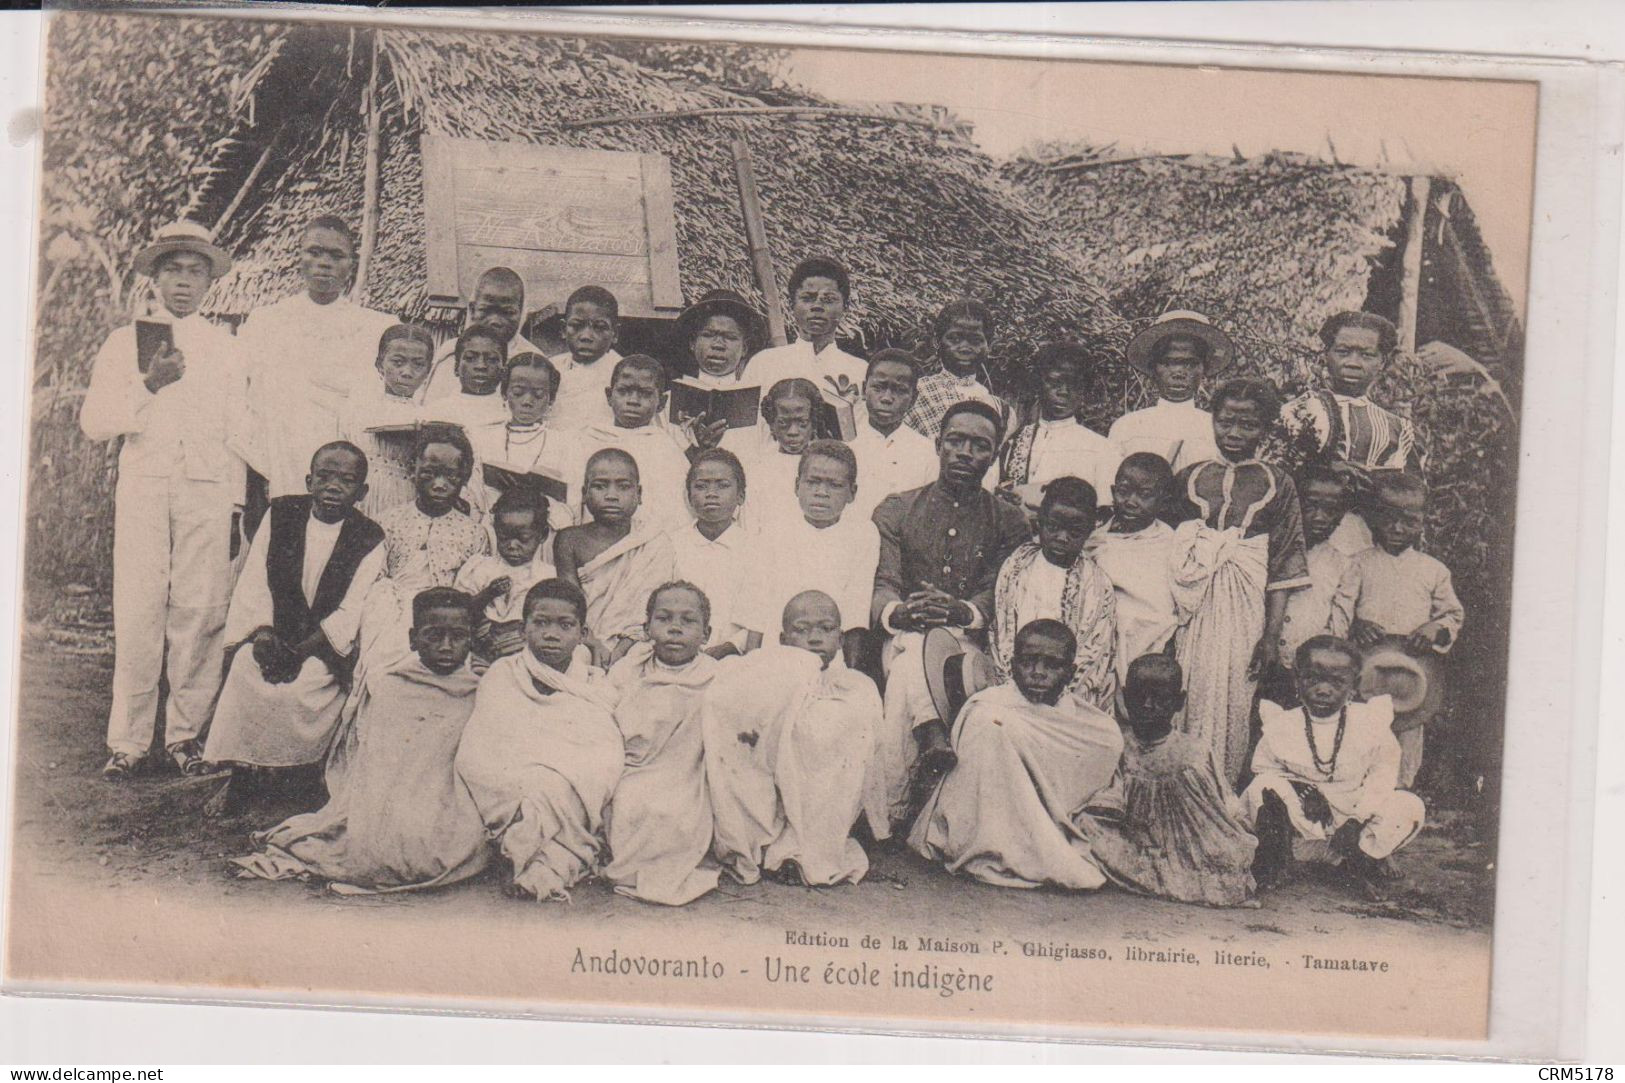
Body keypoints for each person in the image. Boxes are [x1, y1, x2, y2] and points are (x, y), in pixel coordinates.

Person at [81, 220, 246, 779]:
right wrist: (148, 385)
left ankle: (185, 737)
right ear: (154, 276)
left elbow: (238, 429)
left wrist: (236, 506)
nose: (183, 281)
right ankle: (127, 743)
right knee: (139, 607)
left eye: (194, 271)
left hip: (207, 487)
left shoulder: (226, 348)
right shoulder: (124, 343)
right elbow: (97, 422)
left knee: (200, 610)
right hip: (147, 486)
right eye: (172, 269)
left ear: (209, 282)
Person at [228, 587, 489, 894]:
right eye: (434, 635)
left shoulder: (482, 690)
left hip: (450, 803)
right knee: (395, 841)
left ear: (471, 639)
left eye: (457, 636)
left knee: (459, 842)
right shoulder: (393, 686)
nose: (446, 646)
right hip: (393, 806)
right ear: (412, 639)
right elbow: (378, 774)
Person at [865, 401, 1031, 840]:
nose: (965, 453)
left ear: (993, 457)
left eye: (979, 446)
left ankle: (891, 811)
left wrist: (960, 611)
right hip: (900, 635)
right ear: (938, 444)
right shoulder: (897, 509)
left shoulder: (1009, 522)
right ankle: (925, 760)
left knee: (908, 669)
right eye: (955, 441)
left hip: (965, 648)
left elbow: (1000, 588)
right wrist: (900, 611)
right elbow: (881, 581)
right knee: (910, 651)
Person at [202, 442, 386, 811]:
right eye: (325, 477)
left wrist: (300, 654)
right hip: (276, 634)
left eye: (347, 481)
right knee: (246, 670)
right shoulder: (282, 513)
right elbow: (255, 579)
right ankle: (242, 777)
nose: (334, 487)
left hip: (321, 646)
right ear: (309, 480)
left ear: (362, 492)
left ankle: (298, 780)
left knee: (310, 685)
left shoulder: (369, 538)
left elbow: (352, 610)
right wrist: (264, 634)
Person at [1169, 377, 1311, 786]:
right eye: (1226, 421)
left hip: (1245, 610)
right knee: (1187, 688)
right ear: (1212, 420)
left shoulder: (1278, 484)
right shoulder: (1189, 477)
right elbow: (1173, 550)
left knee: (1235, 698)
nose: (1234, 434)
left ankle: (1223, 791)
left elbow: (1284, 563)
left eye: (1247, 425)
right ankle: (1185, 792)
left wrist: (1268, 637)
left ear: (1265, 429)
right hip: (1191, 606)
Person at [909, 620, 1122, 891]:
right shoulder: (987, 709)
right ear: (1011, 665)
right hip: (988, 833)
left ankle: (1045, 840)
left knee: (1110, 738)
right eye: (1028, 662)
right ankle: (1016, 849)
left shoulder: (1093, 728)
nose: (1037, 673)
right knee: (991, 725)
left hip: (1054, 830)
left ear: (1071, 672)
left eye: (1052, 664)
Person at [454, 579, 623, 902]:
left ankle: (530, 862)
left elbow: (604, 750)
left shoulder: (595, 685)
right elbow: (486, 740)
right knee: (529, 787)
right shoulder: (503, 673)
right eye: (541, 623)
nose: (551, 633)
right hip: (510, 773)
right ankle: (529, 857)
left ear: (582, 634)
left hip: (564, 777)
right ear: (523, 630)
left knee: (555, 787)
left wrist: (562, 770)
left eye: (565, 625)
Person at [702, 591, 881, 887]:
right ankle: (762, 839)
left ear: (840, 639)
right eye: (801, 630)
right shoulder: (771, 668)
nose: (814, 638)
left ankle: (810, 846)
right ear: (784, 640)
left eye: (826, 629)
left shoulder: (854, 685)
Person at [1245, 636, 1425, 899]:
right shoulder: (1283, 725)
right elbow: (1264, 770)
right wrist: (1304, 790)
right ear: (1297, 681)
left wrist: (1355, 821)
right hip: (1306, 822)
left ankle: (1356, 863)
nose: (1323, 690)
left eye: (1336, 682)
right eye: (1312, 679)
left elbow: (1381, 777)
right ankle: (1282, 860)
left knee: (1408, 805)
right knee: (1262, 789)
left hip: (1355, 822)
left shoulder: (1370, 724)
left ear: (1354, 686)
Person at [233, 215, 398, 500]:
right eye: (314, 252)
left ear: (351, 266)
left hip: (347, 468)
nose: (324, 263)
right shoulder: (266, 322)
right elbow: (242, 400)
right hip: (277, 464)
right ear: (300, 257)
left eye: (337, 255)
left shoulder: (376, 328)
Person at [1074, 654, 1257, 907]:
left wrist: (1240, 824)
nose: (1148, 705)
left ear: (1179, 702)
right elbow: (1105, 796)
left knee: (1226, 854)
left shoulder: (1193, 751)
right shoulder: (1116, 742)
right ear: (1125, 696)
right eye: (1140, 697)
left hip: (1187, 843)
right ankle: (1154, 874)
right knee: (1084, 828)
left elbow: (1223, 802)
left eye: (1160, 698)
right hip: (1134, 838)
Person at [602, 582, 723, 906]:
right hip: (636, 766)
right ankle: (633, 868)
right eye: (664, 618)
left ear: (706, 633)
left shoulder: (717, 676)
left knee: (681, 814)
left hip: (689, 771)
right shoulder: (628, 672)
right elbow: (610, 720)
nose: (674, 628)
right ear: (647, 628)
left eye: (687, 621)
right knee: (630, 803)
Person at [1346, 472, 1465, 786]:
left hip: (1412, 675)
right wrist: (1356, 626)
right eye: (1388, 518)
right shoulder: (1358, 564)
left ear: (1422, 521)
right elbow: (1340, 610)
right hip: (1368, 673)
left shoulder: (1433, 570)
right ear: (1374, 517)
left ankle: (1397, 804)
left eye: (1408, 521)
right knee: (1362, 740)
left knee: (1406, 741)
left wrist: (1433, 629)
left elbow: (1452, 616)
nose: (1397, 528)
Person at [1282, 311, 1418, 553]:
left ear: (1382, 362)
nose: (1353, 363)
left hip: (1368, 543)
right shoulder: (1298, 411)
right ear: (1327, 355)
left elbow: (1407, 496)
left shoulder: (1397, 428)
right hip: (1304, 539)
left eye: (1366, 355)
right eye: (1343, 352)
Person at [743, 441, 880, 669]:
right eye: (812, 482)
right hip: (776, 651)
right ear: (797, 486)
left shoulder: (864, 534)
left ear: (852, 492)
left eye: (834, 485)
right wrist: (750, 666)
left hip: (832, 656)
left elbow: (856, 610)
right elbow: (757, 606)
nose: (821, 493)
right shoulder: (773, 531)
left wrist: (851, 673)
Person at [991, 477, 1118, 711]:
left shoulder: (1096, 585)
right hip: (1013, 690)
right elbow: (1002, 631)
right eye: (1053, 526)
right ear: (1039, 522)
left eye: (1074, 531)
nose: (1062, 537)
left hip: (1067, 699)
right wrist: (1016, 685)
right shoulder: (1017, 566)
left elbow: (1092, 653)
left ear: (1091, 529)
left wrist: (1054, 698)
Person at [554, 448, 677, 665]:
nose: (611, 495)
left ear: (639, 494)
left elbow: (652, 605)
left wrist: (624, 647)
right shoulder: (569, 539)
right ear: (584, 493)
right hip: (582, 639)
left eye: (623, 486)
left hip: (638, 643)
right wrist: (592, 643)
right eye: (600, 486)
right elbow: (570, 604)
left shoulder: (655, 541)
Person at [1264, 463, 1361, 706]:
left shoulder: (1343, 565)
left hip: (1307, 674)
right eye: (1310, 507)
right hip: (1261, 661)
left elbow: (1338, 625)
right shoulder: (1267, 550)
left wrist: (1313, 666)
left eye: (1331, 511)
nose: (1320, 517)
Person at [1084, 453, 1184, 682]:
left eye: (1145, 495)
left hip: (1154, 649)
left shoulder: (1171, 543)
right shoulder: (1096, 539)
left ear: (1164, 500)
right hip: (1100, 643)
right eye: (1123, 491)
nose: (1131, 501)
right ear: (1112, 491)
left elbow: (1166, 606)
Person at [571, 354, 691, 530]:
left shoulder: (666, 449)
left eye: (645, 394)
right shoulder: (586, 440)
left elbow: (677, 512)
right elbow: (574, 497)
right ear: (609, 396)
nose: (633, 400)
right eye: (624, 391)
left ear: (662, 403)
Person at [462, 352, 578, 533]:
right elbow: (471, 494)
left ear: (551, 398)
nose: (527, 401)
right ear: (504, 393)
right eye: (518, 392)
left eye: (538, 395)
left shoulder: (565, 444)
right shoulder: (481, 438)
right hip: (490, 529)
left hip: (544, 532)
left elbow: (573, 505)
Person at [998, 341, 1119, 514]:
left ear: (1084, 389)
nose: (1063, 392)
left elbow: (1105, 512)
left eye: (1074, 384)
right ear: (1039, 384)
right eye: (1055, 382)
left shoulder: (1102, 449)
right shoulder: (1014, 441)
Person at [1110, 309, 1230, 473]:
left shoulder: (1217, 429)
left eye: (1190, 364)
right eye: (1168, 363)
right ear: (1153, 369)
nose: (1179, 372)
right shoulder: (1127, 427)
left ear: (1204, 369)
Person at [374, 424, 488, 595]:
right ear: (413, 470)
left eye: (451, 476)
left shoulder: (474, 534)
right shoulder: (387, 522)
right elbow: (375, 580)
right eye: (429, 473)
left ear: (465, 477)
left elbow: (473, 589)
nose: (439, 485)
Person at [339, 323, 437, 518]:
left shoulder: (429, 417)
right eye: (398, 362)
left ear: (428, 371)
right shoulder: (356, 411)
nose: (407, 372)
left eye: (418, 364)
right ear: (380, 364)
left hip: (408, 499)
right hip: (362, 496)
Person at [452, 487, 557, 663]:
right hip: (480, 647)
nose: (512, 545)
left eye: (523, 539)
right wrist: (488, 594)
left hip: (524, 651)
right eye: (504, 537)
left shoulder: (547, 577)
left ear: (543, 535)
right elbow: (459, 611)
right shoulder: (480, 567)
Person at [671, 449, 757, 659]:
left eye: (722, 485)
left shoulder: (755, 549)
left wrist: (728, 648)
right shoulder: (671, 545)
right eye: (701, 486)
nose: (711, 493)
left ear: (741, 496)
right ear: (689, 496)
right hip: (675, 653)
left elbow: (759, 616)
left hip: (734, 658)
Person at [743, 256, 868, 396]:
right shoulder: (763, 364)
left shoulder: (860, 371)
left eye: (828, 300)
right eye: (808, 298)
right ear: (791, 304)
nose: (817, 306)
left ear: (846, 306)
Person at [421, 266, 544, 402]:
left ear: (521, 313)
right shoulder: (450, 354)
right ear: (473, 309)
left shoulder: (534, 362)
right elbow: (431, 408)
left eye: (507, 312)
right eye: (486, 310)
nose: (495, 321)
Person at [670, 288, 767, 457]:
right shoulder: (667, 402)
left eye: (729, 337)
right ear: (692, 343)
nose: (718, 345)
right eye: (708, 335)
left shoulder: (760, 406)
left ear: (744, 348)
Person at [847, 349, 939, 524]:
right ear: (864, 389)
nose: (887, 398)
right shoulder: (847, 443)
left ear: (913, 398)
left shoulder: (926, 452)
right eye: (879, 387)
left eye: (899, 390)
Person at [904, 298, 1009, 440]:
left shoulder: (999, 407)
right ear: (937, 342)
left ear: (988, 345)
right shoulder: (916, 393)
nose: (964, 348)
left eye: (975, 340)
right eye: (954, 339)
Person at [737, 377, 820, 529]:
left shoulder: (825, 466)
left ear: (814, 423)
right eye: (783, 423)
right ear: (771, 424)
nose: (793, 432)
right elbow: (749, 524)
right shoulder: (757, 469)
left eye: (802, 423)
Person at [546, 285, 626, 432]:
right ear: (563, 329)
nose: (586, 336)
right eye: (576, 326)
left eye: (599, 327)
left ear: (615, 333)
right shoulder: (550, 368)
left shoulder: (624, 374)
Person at [421, 324, 511, 430]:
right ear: (456, 367)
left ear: (504, 370)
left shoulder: (511, 414)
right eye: (470, 358)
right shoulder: (435, 413)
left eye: (491, 359)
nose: (481, 366)